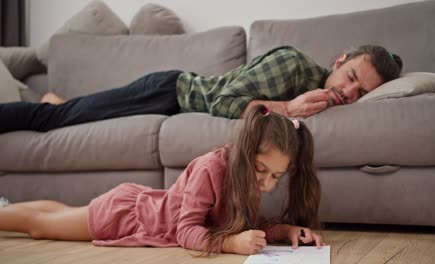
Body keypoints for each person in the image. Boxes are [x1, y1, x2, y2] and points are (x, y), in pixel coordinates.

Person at [0, 105, 324, 255]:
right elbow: (186, 231)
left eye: (276, 177)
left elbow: (240, 221)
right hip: (128, 217)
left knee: (57, 214)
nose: (267, 184)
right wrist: (229, 244)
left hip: (141, 206)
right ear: (246, 151)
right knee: (40, 226)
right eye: (261, 171)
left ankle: (6, 206)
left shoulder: (246, 175)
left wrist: (283, 230)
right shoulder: (212, 168)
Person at [0, 44, 402, 133]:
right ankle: (53, 103)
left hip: (171, 104)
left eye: (361, 93)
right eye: (350, 77)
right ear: (339, 61)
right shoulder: (293, 67)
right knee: (51, 120)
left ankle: (61, 100)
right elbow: (224, 102)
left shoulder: (337, 104)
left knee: (76, 110)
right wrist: (287, 107)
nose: (350, 93)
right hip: (168, 92)